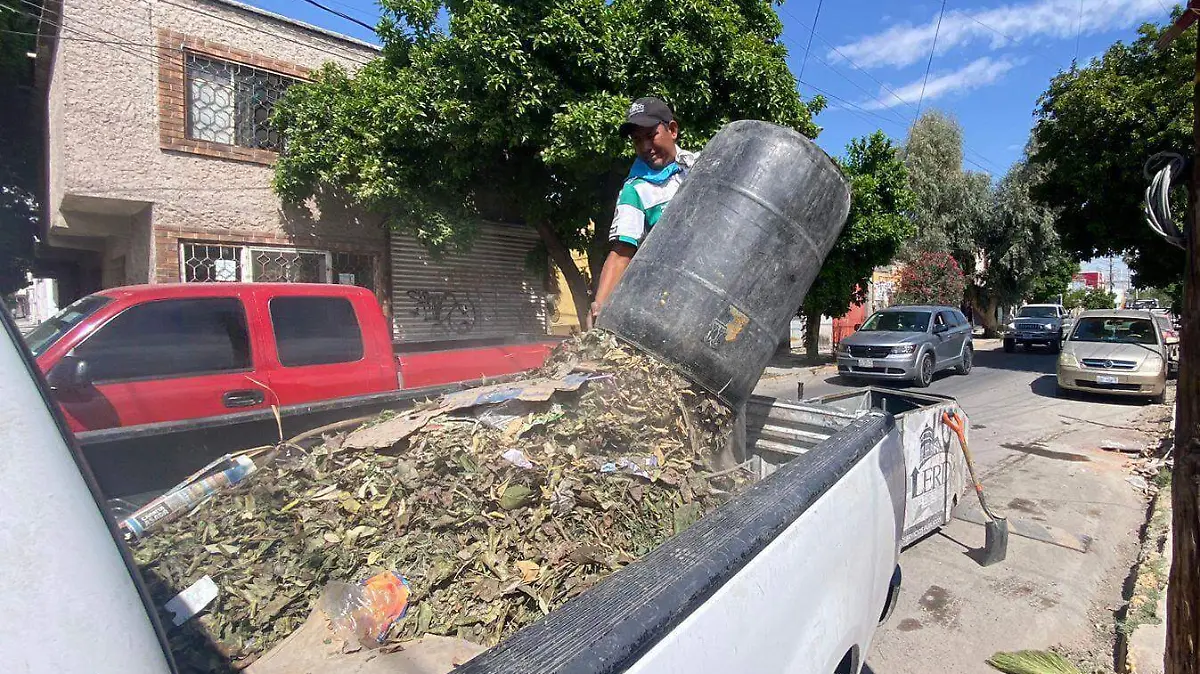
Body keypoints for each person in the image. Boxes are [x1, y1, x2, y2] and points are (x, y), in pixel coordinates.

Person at [588, 96, 698, 327]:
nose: (646, 147)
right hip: (675, 302)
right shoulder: (635, 190)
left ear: (673, 130)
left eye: (651, 135)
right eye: (638, 140)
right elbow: (621, 253)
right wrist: (599, 306)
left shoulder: (701, 165)